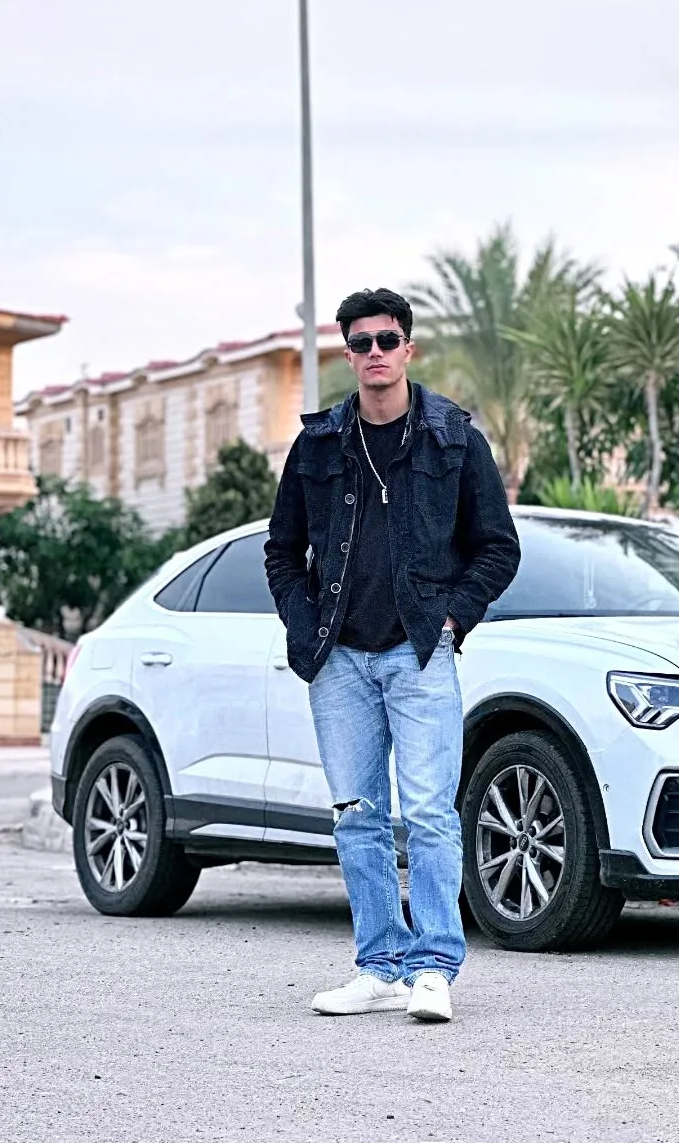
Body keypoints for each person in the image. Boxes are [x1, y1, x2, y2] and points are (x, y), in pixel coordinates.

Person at [264, 287, 520, 1023]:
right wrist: (306, 627)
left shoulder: (454, 438)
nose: (374, 352)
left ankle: (433, 967)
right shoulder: (317, 445)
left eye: (386, 340)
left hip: (419, 653)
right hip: (339, 659)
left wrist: (451, 618)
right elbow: (282, 551)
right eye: (360, 342)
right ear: (348, 354)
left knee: (432, 813)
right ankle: (378, 967)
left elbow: (498, 548)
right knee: (358, 817)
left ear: (409, 348)